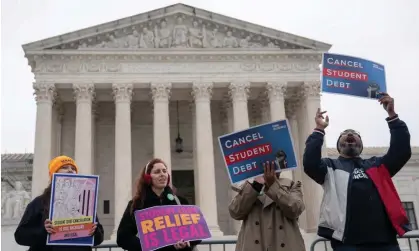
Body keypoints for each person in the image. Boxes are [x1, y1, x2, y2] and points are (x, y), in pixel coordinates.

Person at [303, 93, 412, 251]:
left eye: (354, 135)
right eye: (344, 135)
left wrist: (392, 116)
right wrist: (319, 130)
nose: (349, 135)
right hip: (348, 243)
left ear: (361, 145)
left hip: (384, 241)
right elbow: (310, 163)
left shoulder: (377, 165)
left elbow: (401, 151)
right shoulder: (330, 168)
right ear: (339, 146)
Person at [14, 155, 104, 251]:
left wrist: (95, 231)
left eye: (73, 168)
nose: (70, 170)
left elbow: (98, 238)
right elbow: (20, 236)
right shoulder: (39, 202)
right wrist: (43, 231)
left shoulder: (85, 203)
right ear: (54, 174)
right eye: (64, 167)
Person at [116, 158, 202, 251]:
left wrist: (186, 242)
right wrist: (148, 247)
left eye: (164, 171)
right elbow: (123, 238)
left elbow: (197, 233)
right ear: (148, 177)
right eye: (157, 172)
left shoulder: (180, 202)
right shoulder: (137, 205)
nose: (162, 174)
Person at [229, 161, 306, 251]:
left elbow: (295, 209)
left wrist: (273, 186)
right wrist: (256, 186)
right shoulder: (249, 186)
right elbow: (235, 212)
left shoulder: (292, 185)